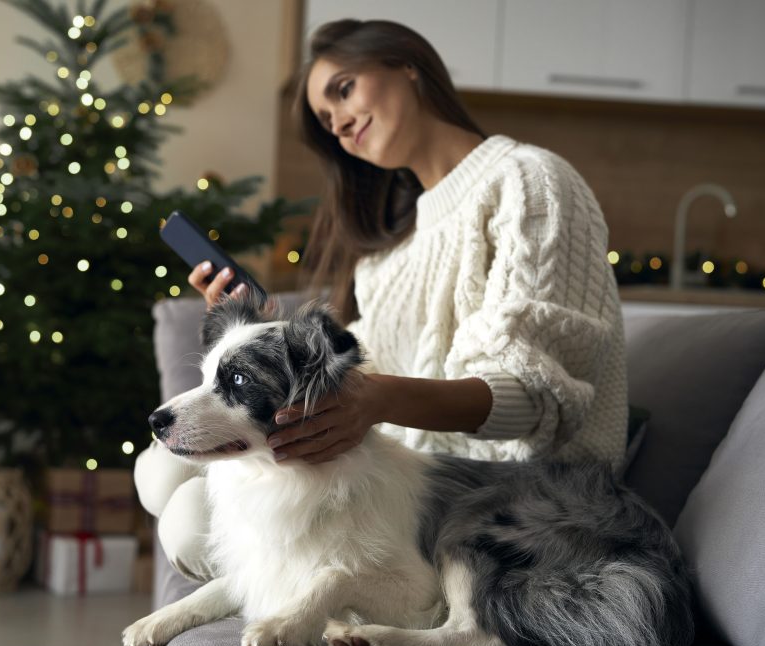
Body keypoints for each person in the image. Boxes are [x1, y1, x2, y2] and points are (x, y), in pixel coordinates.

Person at [134, 19, 628, 582]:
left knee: (190, 516)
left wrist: (378, 400)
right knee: (160, 468)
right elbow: (359, 368)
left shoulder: (529, 182)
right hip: (396, 479)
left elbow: (533, 400)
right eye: (326, 122)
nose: (340, 123)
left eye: (343, 90)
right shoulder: (390, 248)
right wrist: (260, 334)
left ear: (407, 64)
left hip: (505, 500)